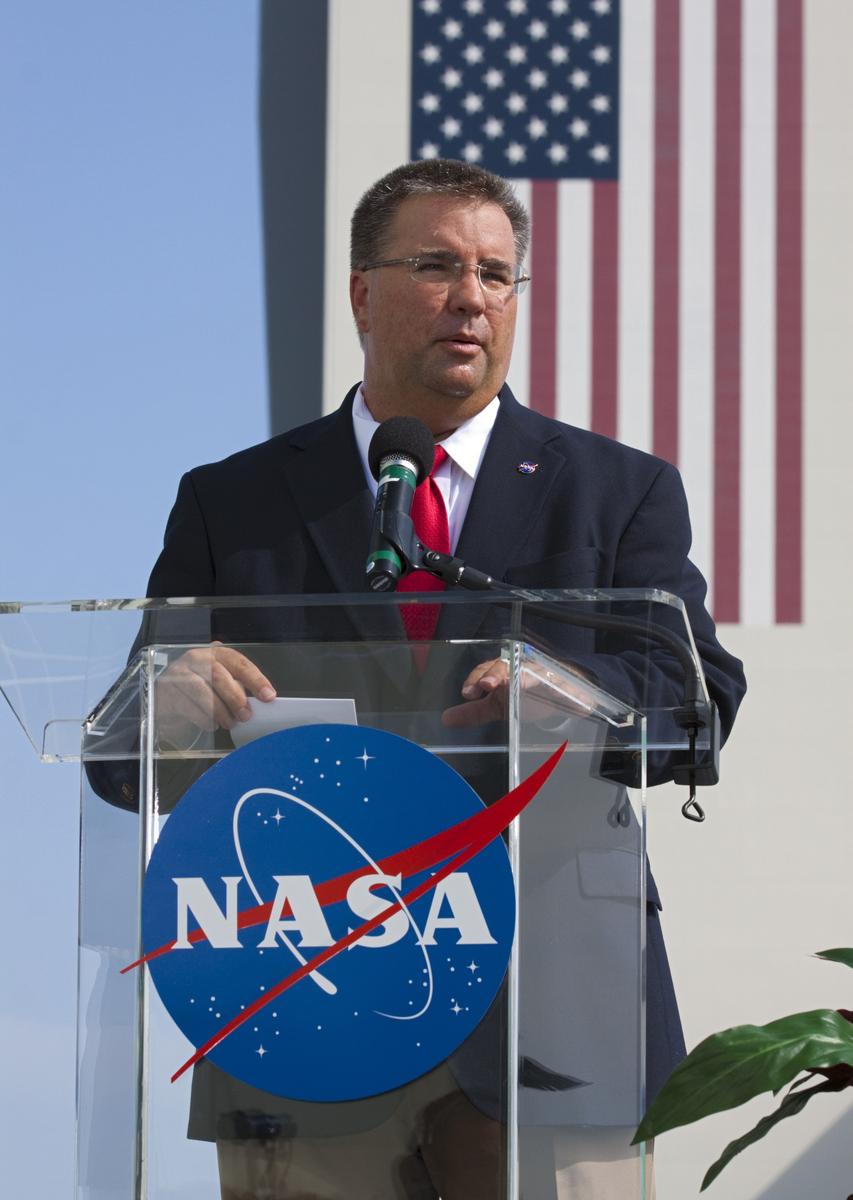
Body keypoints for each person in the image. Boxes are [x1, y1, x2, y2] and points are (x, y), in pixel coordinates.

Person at [144, 159, 746, 1199]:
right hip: (306, 989)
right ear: (361, 292)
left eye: (497, 274)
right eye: (437, 265)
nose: (472, 295)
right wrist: (170, 695)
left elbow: (696, 703)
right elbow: (130, 750)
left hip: (553, 1002)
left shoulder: (616, 491)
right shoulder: (230, 502)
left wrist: (578, 701)